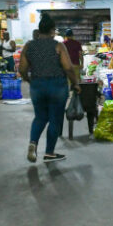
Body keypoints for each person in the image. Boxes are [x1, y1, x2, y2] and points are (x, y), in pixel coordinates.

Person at [19, 14, 80, 163]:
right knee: (55, 119)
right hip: (57, 86)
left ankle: (33, 143)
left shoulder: (29, 45)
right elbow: (68, 67)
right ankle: (49, 153)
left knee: (40, 117)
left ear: (39, 31)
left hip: (37, 85)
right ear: (53, 31)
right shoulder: (58, 45)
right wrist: (75, 83)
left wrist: (28, 79)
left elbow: (22, 68)